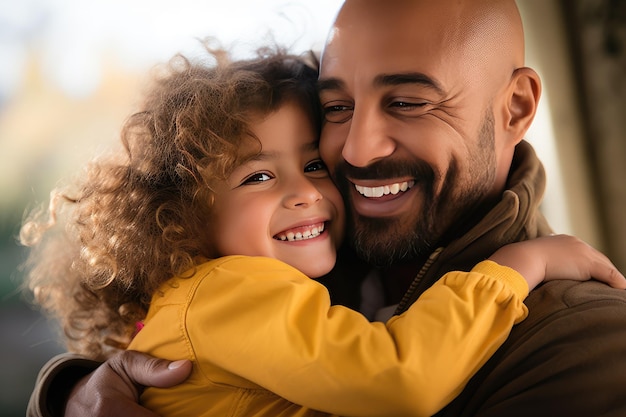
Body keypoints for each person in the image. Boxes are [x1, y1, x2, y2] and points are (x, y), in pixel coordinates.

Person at [25, 0, 626, 416]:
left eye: (410, 102)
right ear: (186, 210)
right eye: (337, 108)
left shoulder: (590, 342)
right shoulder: (284, 267)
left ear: (516, 108)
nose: (357, 149)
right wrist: (70, 394)